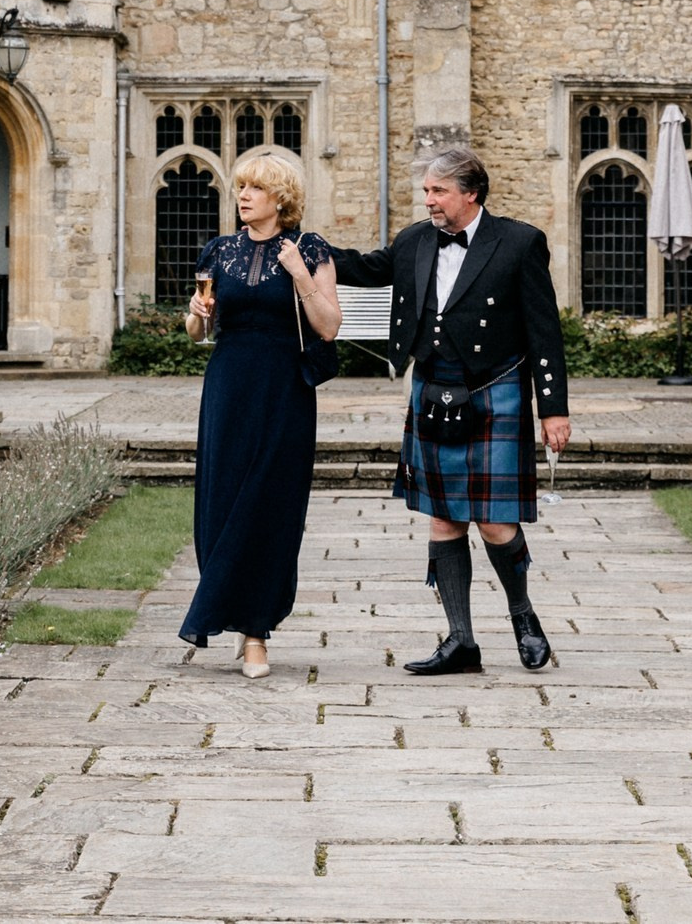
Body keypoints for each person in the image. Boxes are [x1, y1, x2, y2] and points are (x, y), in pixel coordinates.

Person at [329, 145, 568, 674]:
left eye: (438, 191)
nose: (429, 200)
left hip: (494, 390)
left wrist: (552, 408)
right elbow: (365, 269)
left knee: (495, 522)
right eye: (427, 191)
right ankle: (461, 641)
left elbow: (544, 332)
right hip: (434, 388)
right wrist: (304, 247)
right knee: (443, 519)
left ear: (470, 193)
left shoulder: (519, 242)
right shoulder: (415, 239)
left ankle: (523, 617)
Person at [178, 152, 341, 678]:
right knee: (222, 504)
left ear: (280, 199)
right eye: (240, 187)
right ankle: (228, 607)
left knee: (268, 508)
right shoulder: (218, 250)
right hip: (227, 387)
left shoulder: (309, 249)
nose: (243, 196)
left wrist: (300, 276)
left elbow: (329, 327)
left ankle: (255, 635)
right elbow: (197, 333)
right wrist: (197, 317)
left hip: (284, 391)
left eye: (254, 188)